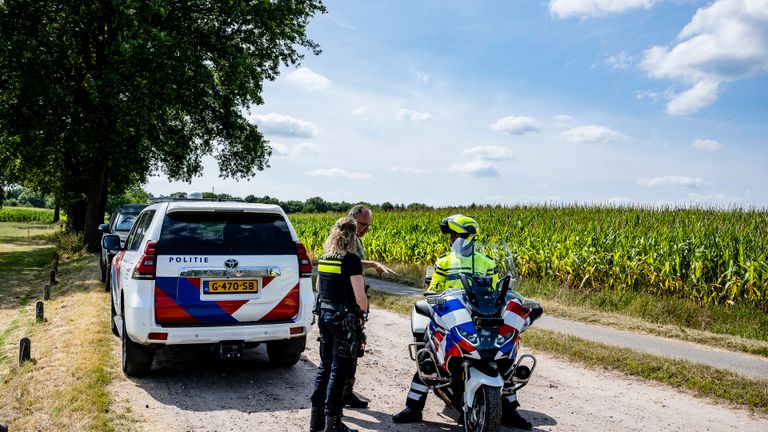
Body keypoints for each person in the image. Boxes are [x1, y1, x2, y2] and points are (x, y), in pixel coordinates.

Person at [392, 214, 533, 430]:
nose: (451, 238)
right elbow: (434, 289)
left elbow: (497, 291)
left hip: (479, 315)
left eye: (453, 234)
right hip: (452, 313)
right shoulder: (445, 261)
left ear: (461, 235)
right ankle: (413, 407)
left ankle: (509, 410)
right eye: (452, 235)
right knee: (428, 355)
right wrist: (432, 296)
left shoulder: (487, 262)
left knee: (501, 356)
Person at [310, 217, 369, 432]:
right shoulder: (351, 260)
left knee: (324, 367)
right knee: (339, 370)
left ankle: (316, 422)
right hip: (343, 320)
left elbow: (318, 286)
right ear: (352, 236)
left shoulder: (326, 258)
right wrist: (361, 314)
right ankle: (333, 423)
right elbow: (360, 299)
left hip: (325, 316)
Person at [335, 205, 396, 409]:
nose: (366, 230)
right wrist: (374, 264)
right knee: (346, 350)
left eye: (369, 226)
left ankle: (346, 392)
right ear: (352, 220)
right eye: (364, 225)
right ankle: (337, 398)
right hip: (346, 301)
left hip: (351, 298)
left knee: (353, 350)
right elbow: (352, 262)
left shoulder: (355, 239)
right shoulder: (345, 238)